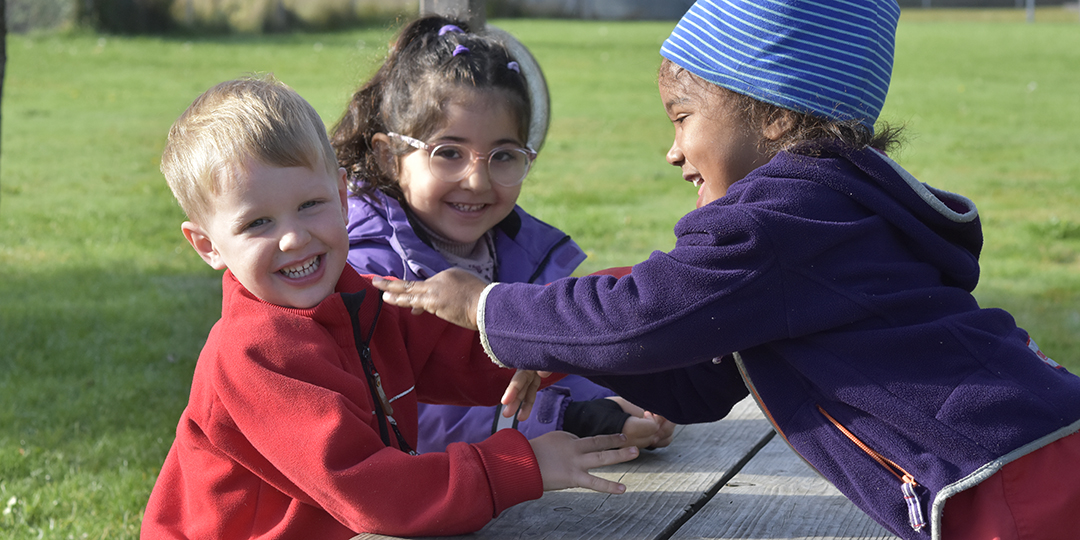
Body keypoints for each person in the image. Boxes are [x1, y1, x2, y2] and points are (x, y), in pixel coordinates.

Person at [372, 2, 1080, 539]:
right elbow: (698, 380)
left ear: (773, 116)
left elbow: (640, 316)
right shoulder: (827, 214)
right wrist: (551, 351)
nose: (673, 152)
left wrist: (490, 307)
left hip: (1013, 481)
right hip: (1029, 454)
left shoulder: (782, 218)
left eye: (682, 118)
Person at [140, 75, 640, 540]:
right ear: (207, 245)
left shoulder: (372, 303)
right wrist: (521, 464)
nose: (294, 237)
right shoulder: (253, 354)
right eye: (257, 224)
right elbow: (372, 489)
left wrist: (616, 310)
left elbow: (474, 351)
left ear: (340, 195)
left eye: (310, 205)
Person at [330, 16, 674, 453]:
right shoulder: (369, 272)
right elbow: (398, 413)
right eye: (449, 153)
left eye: (504, 155)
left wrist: (627, 400)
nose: (477, 181)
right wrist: (571, 419)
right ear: (388, 155)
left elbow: (553, 364)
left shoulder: (522, 253)